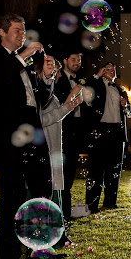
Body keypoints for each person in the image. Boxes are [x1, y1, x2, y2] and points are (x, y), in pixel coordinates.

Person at [0, 13, 55, 259]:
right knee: (13, 196)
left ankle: (37, 247)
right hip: (11, 138)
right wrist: (22, 55)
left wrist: (47, 78)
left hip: (33, 133)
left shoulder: (24, 65)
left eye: (23, 30)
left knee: (42, 190)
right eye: (16, 31)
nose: (22, 35)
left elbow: (38, 101)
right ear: (2, 32)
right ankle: (8, 258)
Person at [83, 62, 131, 213]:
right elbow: (85, 87)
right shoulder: (96, 86)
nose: (111, 71)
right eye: (108, 69)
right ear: (102, 71)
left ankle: (110, 202)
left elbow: (129, 113)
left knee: (114, 170)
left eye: (113, 69)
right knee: (95, 169)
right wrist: (97, 76)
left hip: (117, 132)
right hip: (101, 130)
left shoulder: (120, 90)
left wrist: (126, 106)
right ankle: (92, 204)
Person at [54, 51, 86, 223]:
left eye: (79, 60)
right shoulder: (59, 80)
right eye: (73, 59)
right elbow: (58, 106)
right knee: (62, 175)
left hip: (75, 134)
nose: (76, 62)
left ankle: (66, 211)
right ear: (65, 60)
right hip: (61, 133)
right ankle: (62, 212)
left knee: (70, 174)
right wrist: (74, 91)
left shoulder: (81, 81)